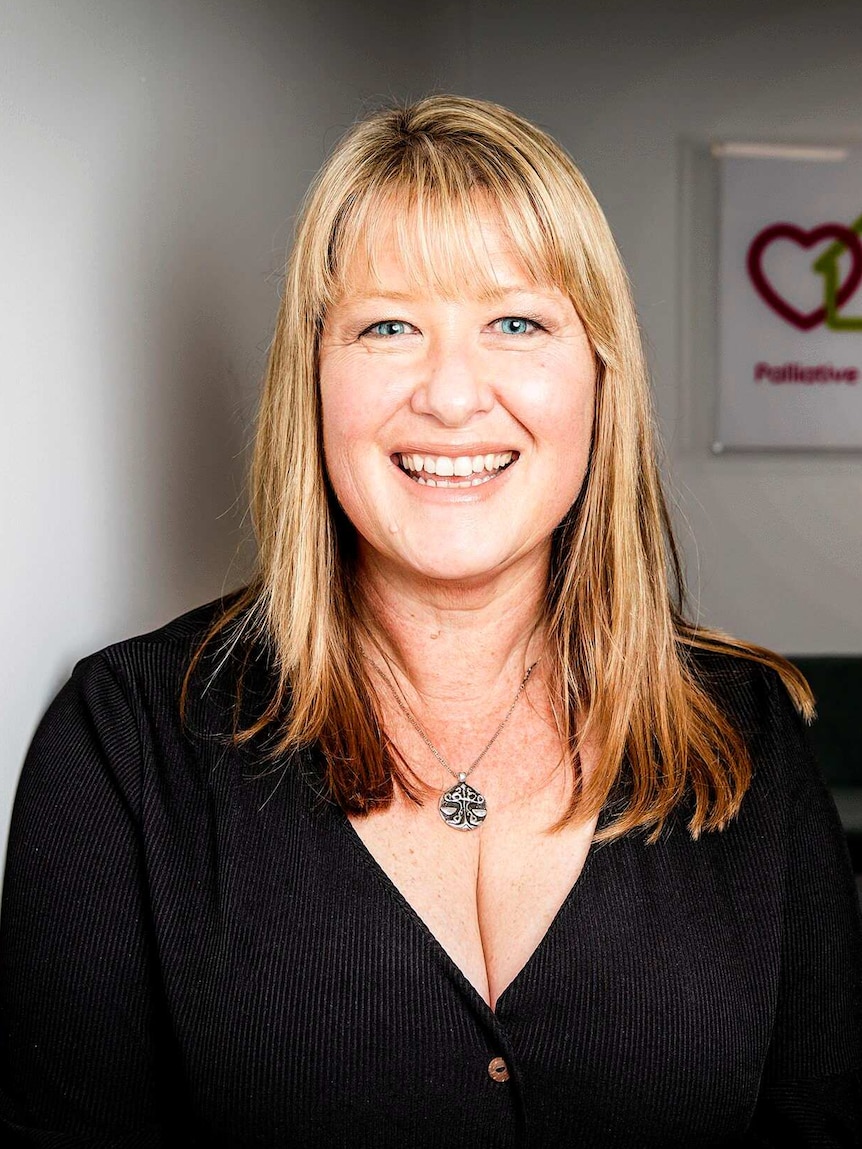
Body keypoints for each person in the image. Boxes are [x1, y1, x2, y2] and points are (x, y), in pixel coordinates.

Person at [1, 95, 860, 1148]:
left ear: (599, 373)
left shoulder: (743, 734)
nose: (452, 397)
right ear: (312, 378)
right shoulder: (125, 744)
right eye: (389, 326)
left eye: (515, 322)